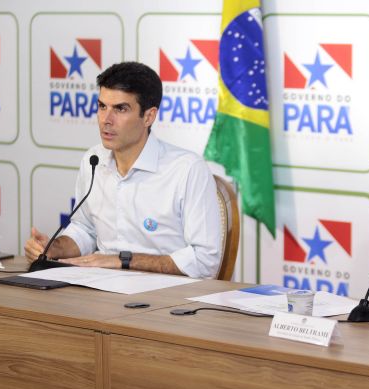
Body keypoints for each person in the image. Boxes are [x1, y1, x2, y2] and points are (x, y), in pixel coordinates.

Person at [25, 62, 222, 278]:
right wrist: (55, 248)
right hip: (100, 291)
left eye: (120, 109)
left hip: (166, 298)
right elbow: (85, 230)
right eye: (102, 106)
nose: (105, 120)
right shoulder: (94, 160)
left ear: (148, 116)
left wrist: (122, 261)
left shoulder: (187, 170)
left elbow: (204, 261)